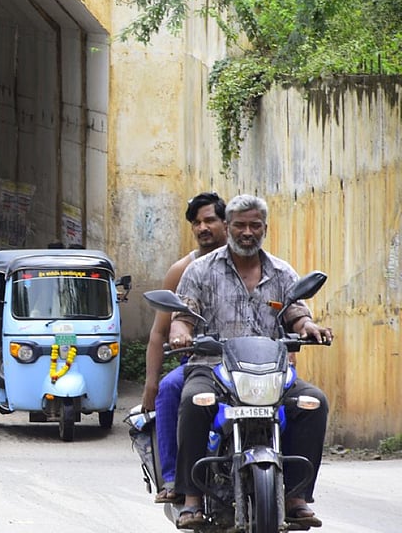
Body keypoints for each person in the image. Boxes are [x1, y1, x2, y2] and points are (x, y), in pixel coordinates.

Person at [169, 194, 332, 530]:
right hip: (213, 366)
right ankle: (191, 499)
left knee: (314, 402)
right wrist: (181, 332)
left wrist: (309, 327)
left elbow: (297, 313)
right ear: (227, 227)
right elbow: (182, 317)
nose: (247, 232)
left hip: (271, 371)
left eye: (254, 225)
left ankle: (298, 497)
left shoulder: (283, 272)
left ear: (265, 229)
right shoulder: (201, 270)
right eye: (240, 225)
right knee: (192, 400)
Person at [142, 192, 227, 504]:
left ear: (227, 224)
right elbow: (160, 331)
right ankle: (172, 478)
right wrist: (150, 382)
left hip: (249, 364)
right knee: (169, 388)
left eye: (210, 220)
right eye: (197, 222)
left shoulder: (255, 262)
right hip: (200, 363)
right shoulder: (182, 270)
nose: (203, 227)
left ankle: (286, 484)